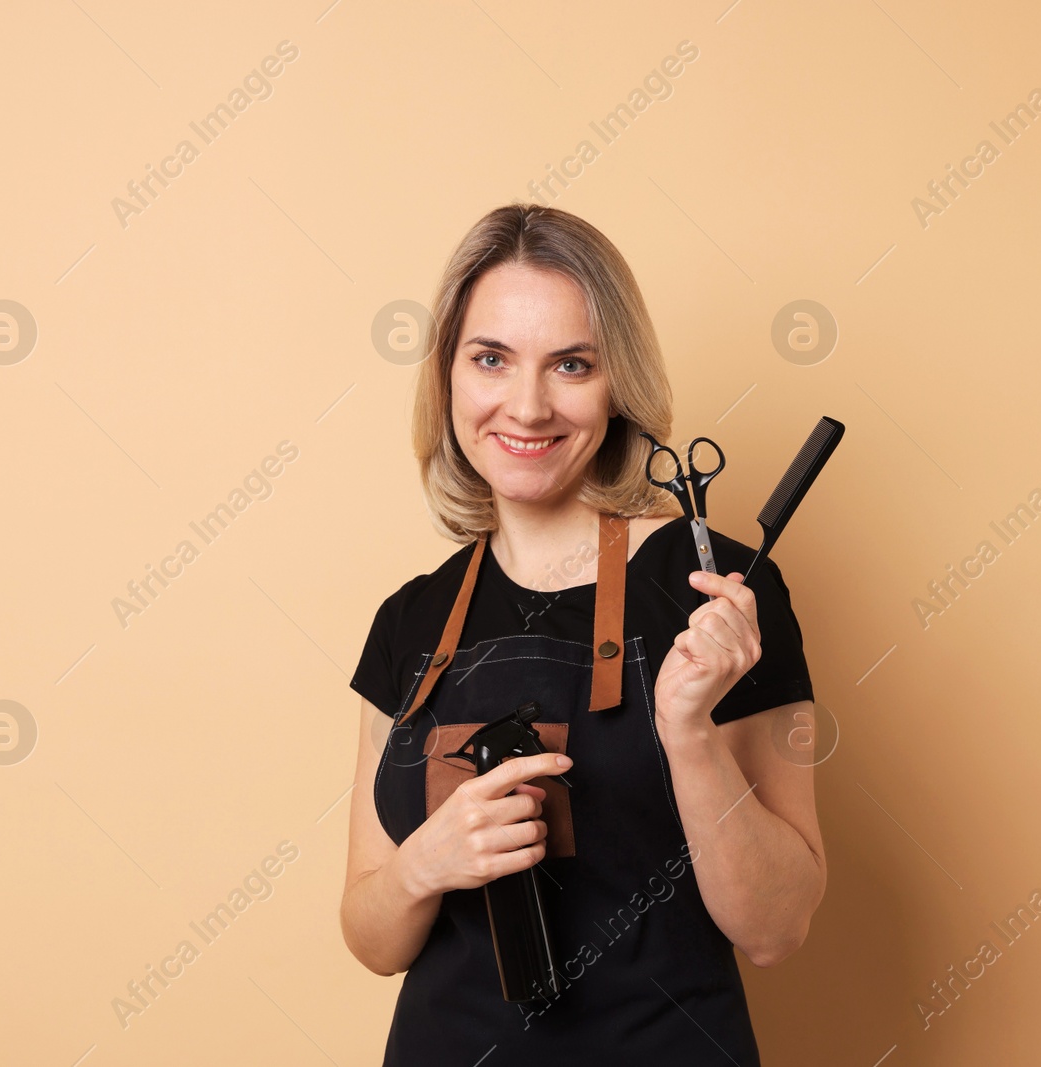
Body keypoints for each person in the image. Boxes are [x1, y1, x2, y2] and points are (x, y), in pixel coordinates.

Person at [341, 204, 826, 1065]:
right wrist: (429, 861)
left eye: (571, 364)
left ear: (618, 385)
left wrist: (688, 735)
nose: (526, 406)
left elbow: (777, 929)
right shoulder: (410, 619)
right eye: (491, 358)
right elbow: (373, 938)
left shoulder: (716, 592)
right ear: (448, 374)